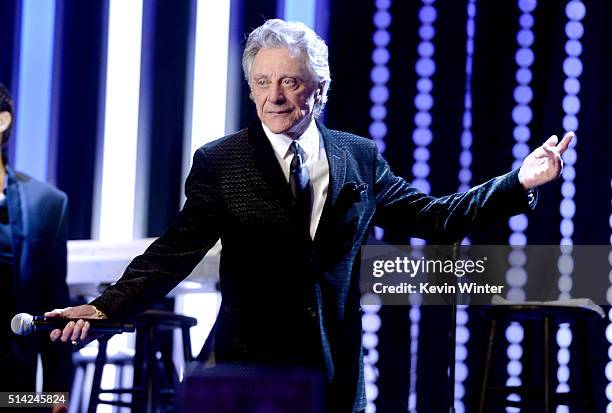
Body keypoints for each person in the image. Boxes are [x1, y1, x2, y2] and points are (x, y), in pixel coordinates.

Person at [47, 19, 573, 412]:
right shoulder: (220, 161)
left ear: (319, 88)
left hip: (332, 370)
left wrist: (518, 182)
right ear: (250, 87)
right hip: (247, 370)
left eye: (291, 82)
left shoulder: (357, 157)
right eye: (262, 82)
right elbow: (174, 252)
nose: (275, 96)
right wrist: (104, 310)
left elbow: (436, 219)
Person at [0, 83, 71, 411]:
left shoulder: (45, 205)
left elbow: (53, 300)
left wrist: (57, 388)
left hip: (13, 385)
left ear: (3, 121)